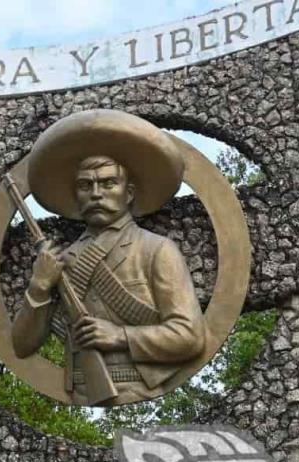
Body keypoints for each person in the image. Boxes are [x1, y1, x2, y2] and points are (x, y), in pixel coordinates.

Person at [11, 110, 206, 405]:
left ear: (128, 194)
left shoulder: (156, 249)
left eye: (108, 184)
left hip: (138, 388)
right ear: (76, 196)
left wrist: (120, 336)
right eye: (85, 186)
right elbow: (22, 346)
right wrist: (39, 286)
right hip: (79, 388)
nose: (96, 194)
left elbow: (189, 336)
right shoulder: (61, 262)